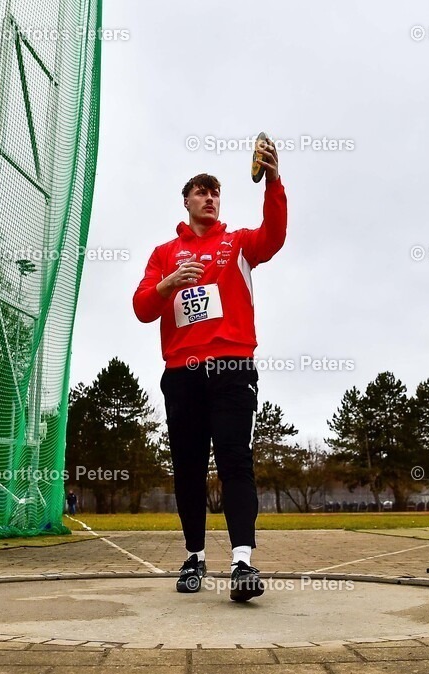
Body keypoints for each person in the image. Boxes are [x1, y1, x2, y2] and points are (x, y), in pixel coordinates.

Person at [132, 142, 286, 601]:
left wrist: (274, 181)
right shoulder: (164, 253)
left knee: (236, 461)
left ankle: (243, 562)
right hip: (182, 373)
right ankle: (194, 556)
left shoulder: (236, 242)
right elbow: (142, 309)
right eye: (201, 192)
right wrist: (167, 284)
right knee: (188, 470)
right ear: (186, 201)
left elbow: (274, 235)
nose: (210, 198)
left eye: (215, 192)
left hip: (232, 368)